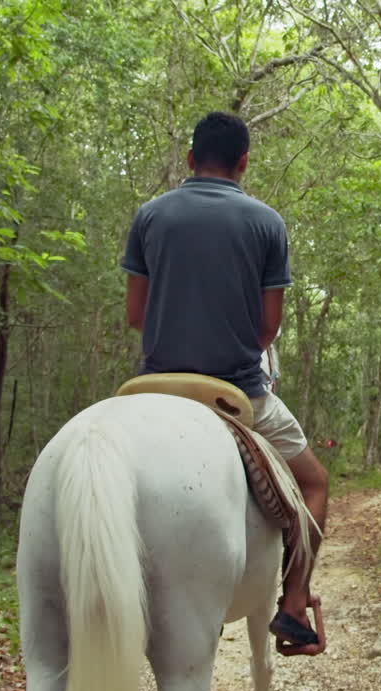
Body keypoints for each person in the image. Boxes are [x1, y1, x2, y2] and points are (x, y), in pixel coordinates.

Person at [120, 111, 329, 657]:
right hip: (238, 391)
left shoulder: (149, 215)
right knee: (314, 484)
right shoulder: (266, 223)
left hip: (154, 388)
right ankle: (293, 605)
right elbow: (267, 329)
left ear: (190, 159)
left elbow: (135, 314)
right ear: (243, 163)